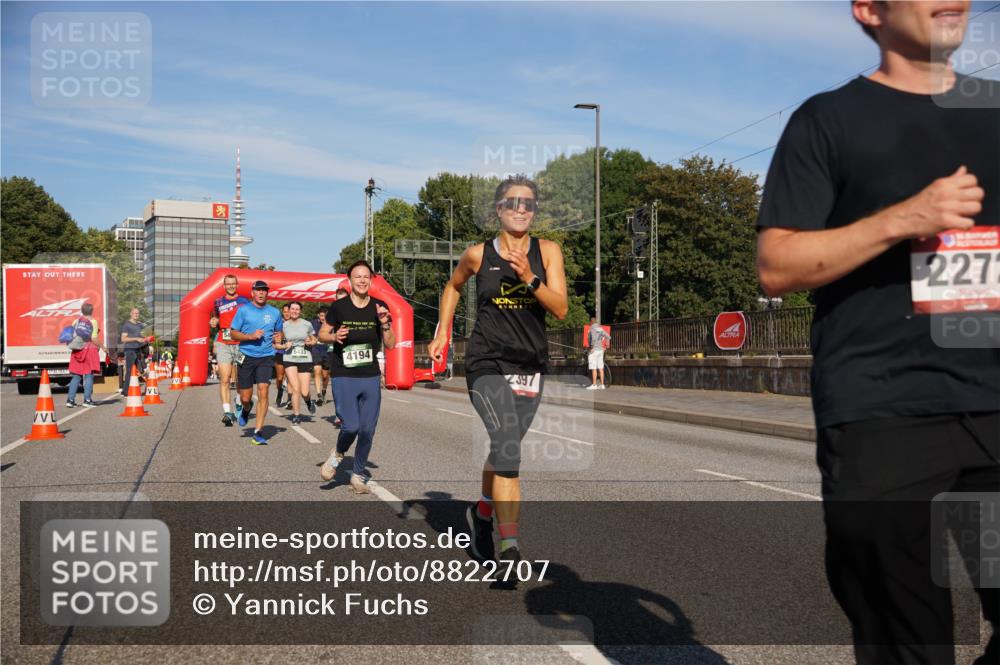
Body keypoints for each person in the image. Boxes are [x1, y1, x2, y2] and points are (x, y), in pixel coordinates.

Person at [756, 3, 999, 663]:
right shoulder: (829, 120)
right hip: (882, 409)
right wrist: (904, 218)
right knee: (909, 641)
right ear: (869, 9)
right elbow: (777, 265)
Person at [429, 175, 568, 568]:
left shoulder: (549, 251)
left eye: (528, 203)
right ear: (499, 209)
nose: (520, 209)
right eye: (512, 202)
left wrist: (529, 278)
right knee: (508, 449)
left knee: (503, 448)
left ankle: (481, 513)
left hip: (529, 364)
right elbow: (453, 287)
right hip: (486, 361)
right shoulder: (478, 255)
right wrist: (443, 331)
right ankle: (509, 549)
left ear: (534, 211)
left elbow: (560, 308)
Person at [318, 261, 395, 493]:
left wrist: (385, 324)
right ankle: (338, 454)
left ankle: (358, 474)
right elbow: (322, 334)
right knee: (350, 426)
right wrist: (334, 337)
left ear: (370, 280)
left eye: (365, 277)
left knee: (368, 430)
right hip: (344, 374)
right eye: (357, 276)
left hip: (370, 375)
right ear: (349, 281)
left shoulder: (379, 307)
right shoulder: (339, 307)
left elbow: (390, 343)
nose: (362, 280)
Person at [228, 280, 284, 445]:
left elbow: (279, 331)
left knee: (263, 390)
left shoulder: (274, 312)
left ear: (267, 293)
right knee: (245, 396)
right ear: (252, 293)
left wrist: (279, 337)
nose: (261, 293)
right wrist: (250, 336)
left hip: (266, 357)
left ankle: (258, 431)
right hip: (246, 355)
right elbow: (233, 334)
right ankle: (246, 407)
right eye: (258, 291)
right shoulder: (243, 310)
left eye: (264, 291)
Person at [208, 274, 251, 427]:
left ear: (237, 284)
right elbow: (215, 319)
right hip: (223, 342)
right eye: (228, 284)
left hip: (241, 344)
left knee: (241, 378)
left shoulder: (244, 301)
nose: (231, 286)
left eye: (233, 283)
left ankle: (239, 402)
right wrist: (213, 321)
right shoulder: (218, 302)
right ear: (224, 286)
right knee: (225, 378)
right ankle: (227, 412)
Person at [275, 301, 317, 425]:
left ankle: (309, 402)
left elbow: (314, 339)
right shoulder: (283, 326)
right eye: (292, 309)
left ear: (300, 311)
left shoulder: (307, 324)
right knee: (295, 388)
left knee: (304, 392)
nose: (294, 311)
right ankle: (296, 415)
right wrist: (284, 346)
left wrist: (311, 342)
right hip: (289, 358)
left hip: (305, 358)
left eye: (297, 309)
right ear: (288, 310)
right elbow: (276, 343)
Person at [66, 303, 108, 408]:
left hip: (77, 351)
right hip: (89, 350)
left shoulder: (76, 321)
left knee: (76, 376)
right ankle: (87, 400)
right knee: (89, 375)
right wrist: (103, 346)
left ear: (82, 310)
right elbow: (93, 338)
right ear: (92, 310)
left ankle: (70, 400)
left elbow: (72, 336)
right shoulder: (93, 322)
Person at [119, 308, 147, 395]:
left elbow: (141, 335)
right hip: (130, 349)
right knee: (129, 370)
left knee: (140, 370)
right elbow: (123, 338)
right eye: (135, 313)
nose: (136, 315)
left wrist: (144, 339)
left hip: (138, 350)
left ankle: (126, 390)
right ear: (131, 314)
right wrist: (136, 338)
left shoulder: (139, 325)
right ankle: (126, 392)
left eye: (138, 313)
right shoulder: (127, 325)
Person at [311, 310, 331, 406]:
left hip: (327, 351)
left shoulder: (332, 323)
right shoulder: (313, 323)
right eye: (322, 315)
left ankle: (323, 391)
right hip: (316, 350)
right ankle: (319, 395)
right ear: (318, 315)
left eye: (325, 316)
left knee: (325, 376)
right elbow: (310, 335)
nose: (323, 318)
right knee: (317, 371)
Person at [585, 316, 611, 390]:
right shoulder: (600, 328)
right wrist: (607, 345)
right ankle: (602, 385)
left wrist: (592, 347)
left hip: (594, 350)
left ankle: (594, 384)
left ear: (591, 322)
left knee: (593, 368)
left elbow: (592, 338)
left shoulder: (592, 328)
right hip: (601, 350)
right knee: (600, 367)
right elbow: (608, 336)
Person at [274, 304, 291, 408]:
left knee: (290, 376)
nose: (287, 313)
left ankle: (290, 400)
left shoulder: (296, 322)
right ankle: (280, 392)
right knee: (280, 377)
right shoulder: (278, 323)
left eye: (288, 311)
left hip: (291, 353)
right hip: (280, 352)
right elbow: (273, 336)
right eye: (285, 312)